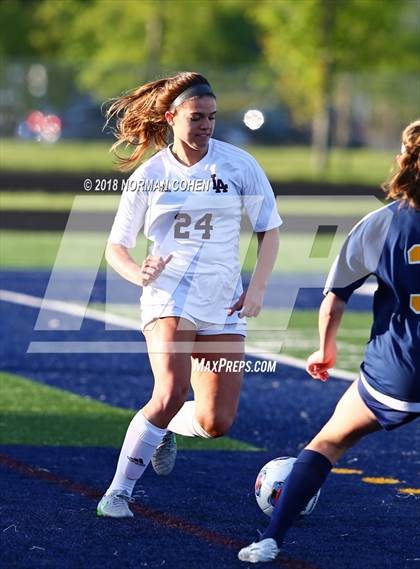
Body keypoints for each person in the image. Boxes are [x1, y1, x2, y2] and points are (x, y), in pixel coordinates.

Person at [96, 71, 282, 518]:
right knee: (171, 391)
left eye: (212, 118)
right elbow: (116, 247)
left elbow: (269, 231)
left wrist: (256, 289)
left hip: (223, 303)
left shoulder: (238, 165)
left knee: (217, 423)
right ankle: (117, 493)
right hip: (168, 298)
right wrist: (139, 273)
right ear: (171, 117)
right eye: (197, 117)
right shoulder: (150, 175)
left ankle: (165, 430)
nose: (206, 126)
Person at [238, 119, 420, 563]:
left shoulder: (381, 224)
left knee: (328, 443)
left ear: (404, 159)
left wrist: (326, 349)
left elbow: (334, 298)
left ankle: (271, 539)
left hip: (399, 373)